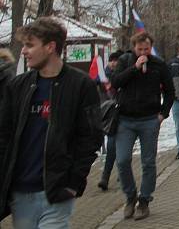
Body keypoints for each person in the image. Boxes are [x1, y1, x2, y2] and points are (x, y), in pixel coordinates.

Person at [0, 17, 103, 228]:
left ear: (50, 47)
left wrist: (74, 183)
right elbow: (4, 136)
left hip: (56, 191)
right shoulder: (17, 86)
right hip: (21, 192)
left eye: (30, 45)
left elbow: (90, 137)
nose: (23, 51)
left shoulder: (81, 85)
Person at [110, 31, 174, 221]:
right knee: (122, 160)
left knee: (148, 162)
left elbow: (169, 91)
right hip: (126, 119)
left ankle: (144, 200)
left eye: (146, 49)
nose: (143, 52)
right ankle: (130, 196)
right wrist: (134, 68)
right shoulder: (125, 61)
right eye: (140, 49)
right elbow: (115, 82)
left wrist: (163, 113)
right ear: (134, 48)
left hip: (149, 119)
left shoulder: (158, 65)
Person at [98, 51, 123, 191]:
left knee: (120, 147)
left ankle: (119, 174)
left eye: (116, 61)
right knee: (112, 146)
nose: (114, 63)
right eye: (112, 60)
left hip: (122, 114)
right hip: (109, 116)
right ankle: (106, 177)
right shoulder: (102, 77)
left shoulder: (122, 75)